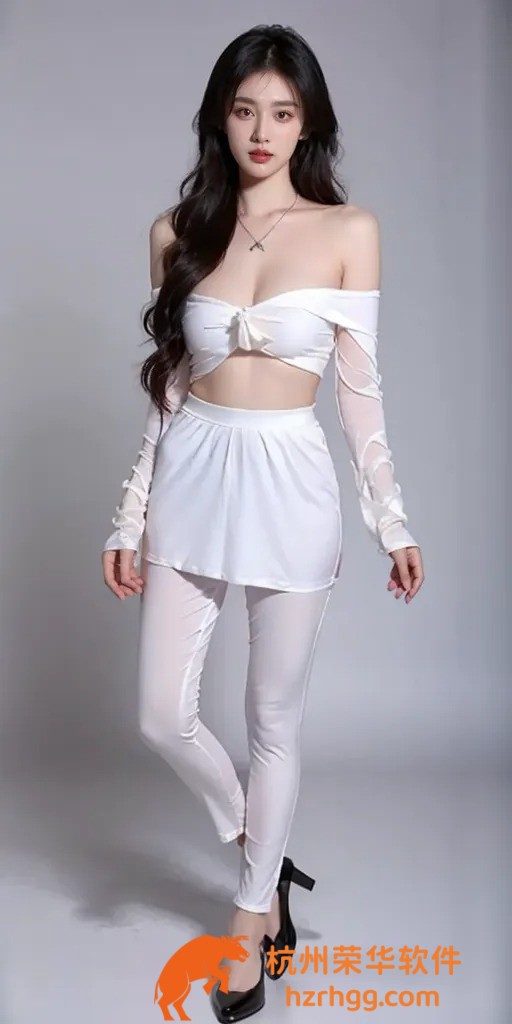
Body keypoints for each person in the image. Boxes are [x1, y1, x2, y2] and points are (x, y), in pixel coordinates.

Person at [101, 23, 425, 1023]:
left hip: (292, 484)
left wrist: (392, 521)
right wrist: (128, 515)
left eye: (282, 112)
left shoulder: (348, 230)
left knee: (271, 719)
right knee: (161, 713)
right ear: (219, 115)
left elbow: (360, 395)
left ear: (307, 123)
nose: (261, 130)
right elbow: (166, 391)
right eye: (244, 109)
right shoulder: (175, 231)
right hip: (194, 474)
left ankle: (250, 921)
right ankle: (264, 846)